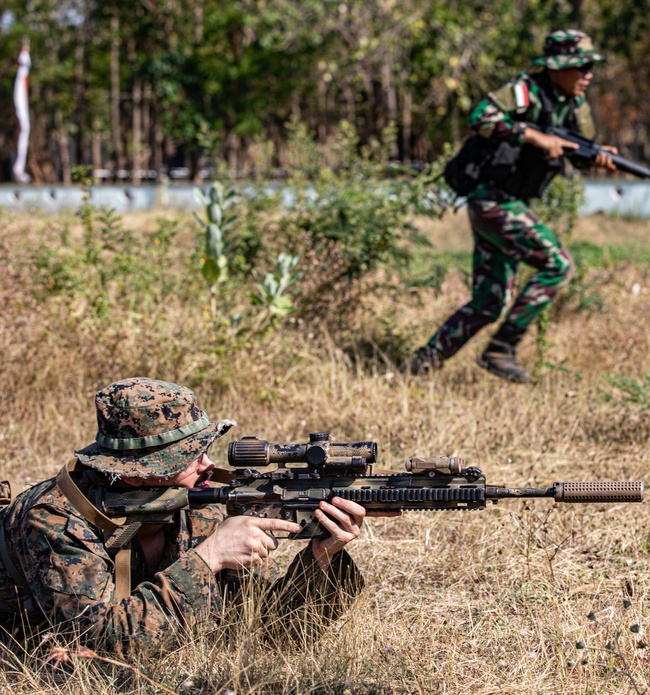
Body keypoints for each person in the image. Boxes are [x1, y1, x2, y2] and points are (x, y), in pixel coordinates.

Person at [0, 377, 387, 656]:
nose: (209, 463)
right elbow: (104, 643)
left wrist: (322, 556)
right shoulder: (53, 520)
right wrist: (209, 558)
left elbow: (273, 633)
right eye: (191, 455)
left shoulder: (199, 503)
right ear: (137, 471)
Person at [406, 29, 617, 384]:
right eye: (580, 67)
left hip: (509, 203)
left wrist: (599, 158)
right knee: (557, 264)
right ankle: (501, 348)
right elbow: (482, 116)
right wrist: (534, 136)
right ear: (555, 67)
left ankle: (422, 362)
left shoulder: (573, 106)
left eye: (590, 67)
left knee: (488, 302)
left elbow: (575, 151)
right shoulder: (526, 91)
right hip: (493, 200)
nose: (588, 75)